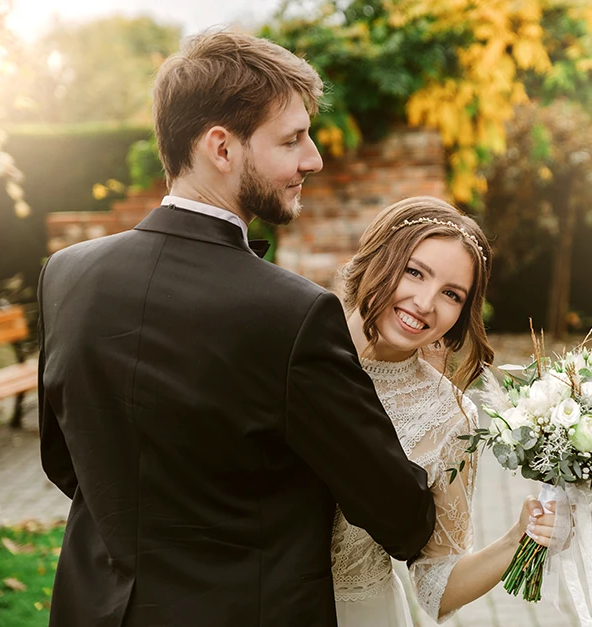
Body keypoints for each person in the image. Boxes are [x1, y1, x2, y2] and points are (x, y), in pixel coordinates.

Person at [36, 31, 436, 627]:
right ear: (221, 148)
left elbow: (63, 462)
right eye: (292, 139)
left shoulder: (65, 274)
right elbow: (402, 519)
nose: (314, 159)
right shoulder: (295, 315)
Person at [332, 196, 556, 626]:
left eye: (451, 294)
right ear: (381, 257)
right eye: (414, 272)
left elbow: (438, 587)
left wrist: (518, 538)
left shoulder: (450, 419)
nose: (425, 302)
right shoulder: (291, 343)